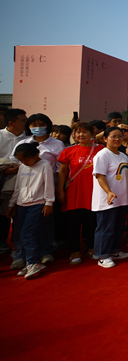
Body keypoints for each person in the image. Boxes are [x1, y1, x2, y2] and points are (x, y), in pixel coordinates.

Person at [10, 113, 65, 268]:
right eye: (33, 125)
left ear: (48, 125)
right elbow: (14, 164)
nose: (38, 128)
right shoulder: (23, 143)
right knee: (21, 226)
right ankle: (21, 254)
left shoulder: (57, 145)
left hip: (47, 190)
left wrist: (58, 190)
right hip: (25, 191)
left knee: (46, 222)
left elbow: (61, 169)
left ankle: (46, 251)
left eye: (41, 124)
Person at [56, 122, 104, 264]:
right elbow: (63, 172)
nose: (81, 135)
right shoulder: (68, 151)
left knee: (91, 221)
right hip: (74, 191)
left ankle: (90, 247)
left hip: (94, 191)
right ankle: (74, 251)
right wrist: (60, 190)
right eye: (77, 132)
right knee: (73, 223)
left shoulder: (101, 150)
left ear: (91, 134)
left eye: (84, 132)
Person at [8, 142, 55, 279]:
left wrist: (49, 202)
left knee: (28, 234)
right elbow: (18, 187)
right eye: (21, 160)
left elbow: (49, 185)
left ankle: (33, 262)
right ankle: (28, 261)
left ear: (36, 155)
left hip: (37, 204)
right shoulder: (22, 167)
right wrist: (12, 204)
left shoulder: (45, 165)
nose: (24, 162)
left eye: (26, 159)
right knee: (21, 233)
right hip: (22, 204)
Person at [92, 127, 128, 268]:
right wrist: (108, 191)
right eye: (113, 136)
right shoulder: (102, 155)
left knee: (118, 227)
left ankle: (115, 251)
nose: (117, 139)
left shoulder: (123, 155)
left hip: (121, 198)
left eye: (120, 136)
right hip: (107, 199)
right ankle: (102, 256)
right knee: (105, 228)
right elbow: (100, 176)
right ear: (105, 139)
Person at [0, 108, 27, 254]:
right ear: (11, 123)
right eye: (23, 120)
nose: (26, 123)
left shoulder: (28, 137)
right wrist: (5, 169)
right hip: (2, 176)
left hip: (21, 178)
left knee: (13, 211)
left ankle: (16, 244)